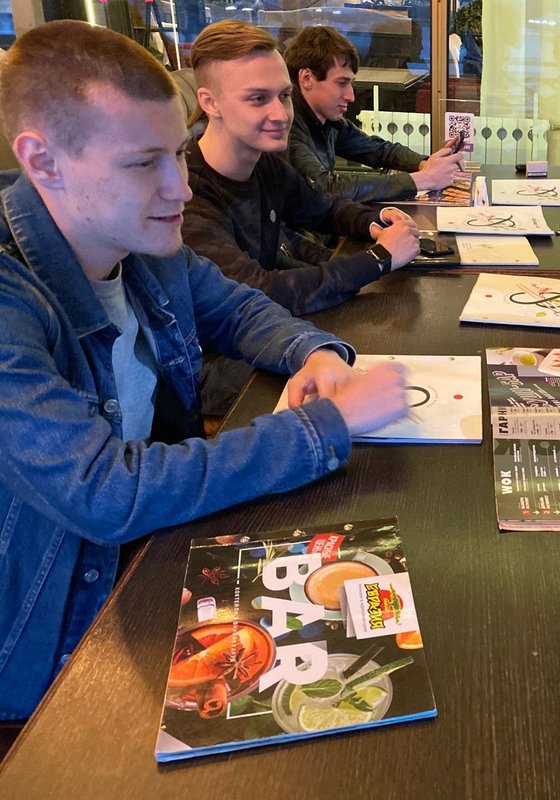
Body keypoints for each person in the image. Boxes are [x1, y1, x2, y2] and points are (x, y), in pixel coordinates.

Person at [0, 20, 410, 721]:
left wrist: (317, 354)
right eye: (143, 164)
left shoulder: (141, 242)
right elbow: (105, 492)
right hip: (53, 651)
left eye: (177, 155)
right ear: (43, 161)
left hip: (155, 563)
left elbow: (241, 309)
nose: (181, 189)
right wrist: (327, 425)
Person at [183, 20, 419, 317]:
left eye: (284, 96)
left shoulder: (264, 164)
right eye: (258, 99)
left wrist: (377, 221)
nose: (281, 115)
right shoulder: (186, 195)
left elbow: (324, 208)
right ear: (210, 103)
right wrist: (379, 258)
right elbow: (259, 291)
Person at [284, 25, 466, 203]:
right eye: (342, 83)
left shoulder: (327, 121)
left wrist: (426, 163)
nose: (351, 96)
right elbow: (326, 188)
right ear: (307, 78)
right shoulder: (285, 128)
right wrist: (423, 179)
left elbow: (377, 150)